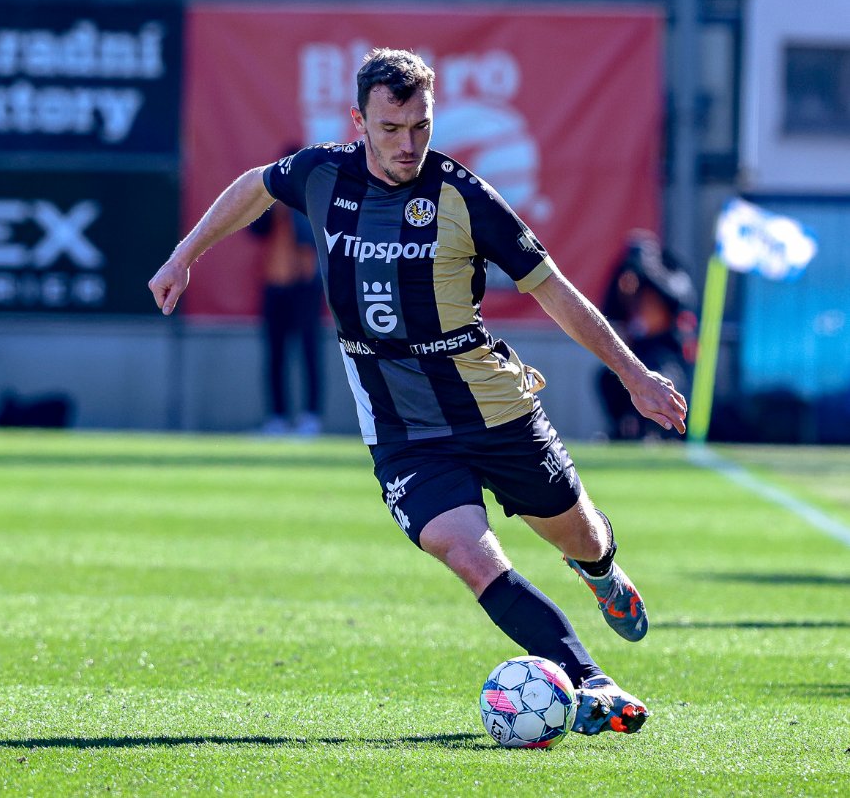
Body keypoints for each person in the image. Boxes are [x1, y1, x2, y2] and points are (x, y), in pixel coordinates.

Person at [148, 48, 687, 737]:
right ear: (359, 122)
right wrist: (184, 255)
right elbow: (255, 185)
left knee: (580, 535)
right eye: (391, 128)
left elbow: (553, 291)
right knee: (469, 554)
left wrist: (635, 375)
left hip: (494, 409)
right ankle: (589, 681)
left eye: (421, 126)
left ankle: (602, 572)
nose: (408, 144)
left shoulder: (465, 197)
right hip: (404, 433)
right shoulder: (321, 173)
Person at [597, 231, 696, 440]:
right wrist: (621, 277)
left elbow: (680, 299)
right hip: (635, 352)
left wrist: (649, 270)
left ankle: (659, 433)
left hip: (665, 353)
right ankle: (623, 430)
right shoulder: (627, 283)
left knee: (662, 382)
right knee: (608, 379)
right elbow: (607, 310)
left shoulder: (670, 274)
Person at [247, 179, 323, 436]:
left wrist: (294, 205)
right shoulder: (272, 203)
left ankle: (311, 416)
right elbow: (256, 230)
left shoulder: (311, 200)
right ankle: (277, 417)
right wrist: (271, 205)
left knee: (309, 351)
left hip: (305, 285)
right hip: (275, 285)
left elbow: (312, 237)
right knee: (275, 354)